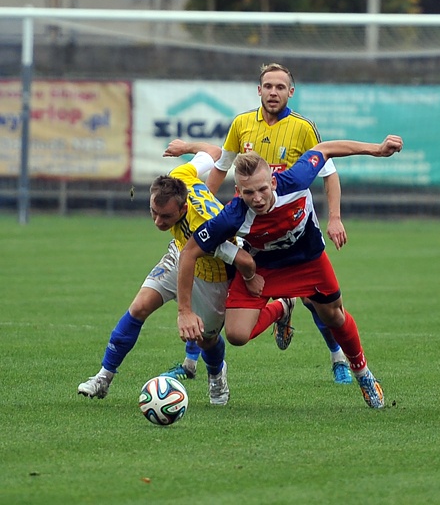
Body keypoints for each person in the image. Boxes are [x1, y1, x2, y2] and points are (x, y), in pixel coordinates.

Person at [176, 136, 403, 409]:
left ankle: (363, 373)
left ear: (273, 181)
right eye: (248, 193)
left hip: (307, 261)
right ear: (237, 190)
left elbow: (325, 149)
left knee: (334, 316)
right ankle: (282, 306)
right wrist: (184, 311)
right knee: (236, 335)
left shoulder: (295, 180)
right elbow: (189, 253)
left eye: (262, 189)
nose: (257, 199)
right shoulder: (232, 215)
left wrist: (376, 150)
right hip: (264, 269)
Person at [167, 62, 354, 385]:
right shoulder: (241, 125)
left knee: (316, 299)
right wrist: (203, 213)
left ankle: (338, 357)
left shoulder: (302, 128)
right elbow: (221, 167)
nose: (273, 92)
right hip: (252, 229)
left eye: (280, 87)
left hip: (292, 231)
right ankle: (191, 360)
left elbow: (328, 173)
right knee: (215, 281)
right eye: (268, 86)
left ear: (290, 92)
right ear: (259, 90)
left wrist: (334, 217)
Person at [77, 141, 257, 405]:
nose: (158, 221)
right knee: (138, 308)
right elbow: (215, 154)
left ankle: (217, 374)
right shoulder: (179, 178)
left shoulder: (209, 224)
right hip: (180, 254)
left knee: (206, 340)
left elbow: (241, 258)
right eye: (154, 212)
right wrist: (187, 146)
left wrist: (249, 279)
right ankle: (103, 378)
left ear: (183, 209)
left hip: (212, 274)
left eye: (166, 217)